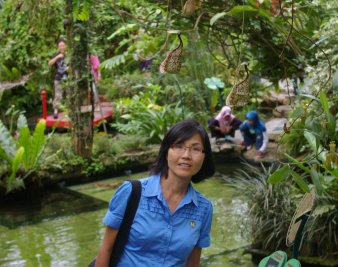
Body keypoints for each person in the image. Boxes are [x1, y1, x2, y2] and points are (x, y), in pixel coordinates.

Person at [94, 120, 215, 267]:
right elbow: (106, 250)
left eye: (196, 149)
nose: (186, 155)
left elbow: (193, 263)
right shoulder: (132, 192)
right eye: (178, 146)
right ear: (166, 151)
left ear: (204, 156)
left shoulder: (204, 208)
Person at [48, 38, 68, 119]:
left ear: (65, 46)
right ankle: (55, 112)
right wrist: (57, 57)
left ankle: (68, 111)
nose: (62, 47)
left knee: (69, 95)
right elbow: (49, 63)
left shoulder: (68, 55)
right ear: (58, 47)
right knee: (58, 95)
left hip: (68, 78)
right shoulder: (56, 54)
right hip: (58, 77)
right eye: (60, 46)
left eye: (63, 45)